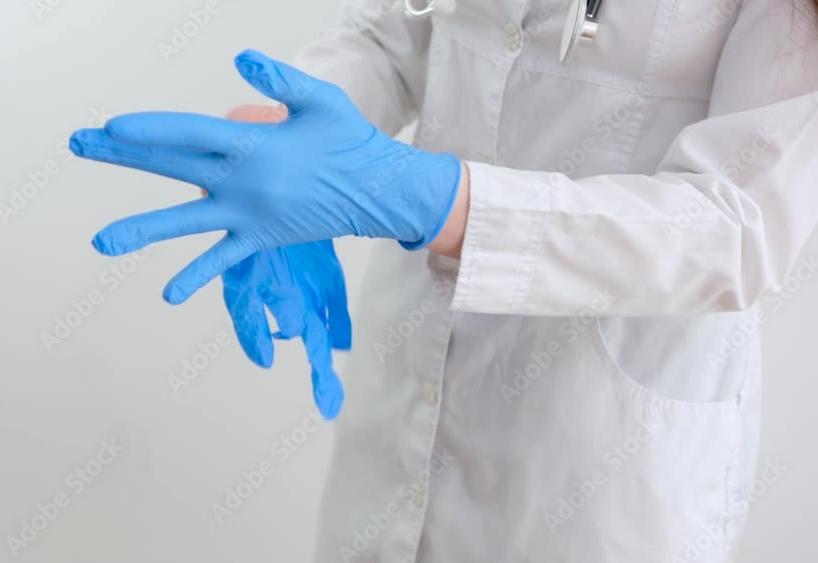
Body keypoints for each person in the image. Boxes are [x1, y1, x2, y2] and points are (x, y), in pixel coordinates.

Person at [69, 0, 818, 560]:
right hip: (401, 402)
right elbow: (400, 34)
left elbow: (738, 224)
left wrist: (433, 197)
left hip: (597, 464)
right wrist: (285, 135)